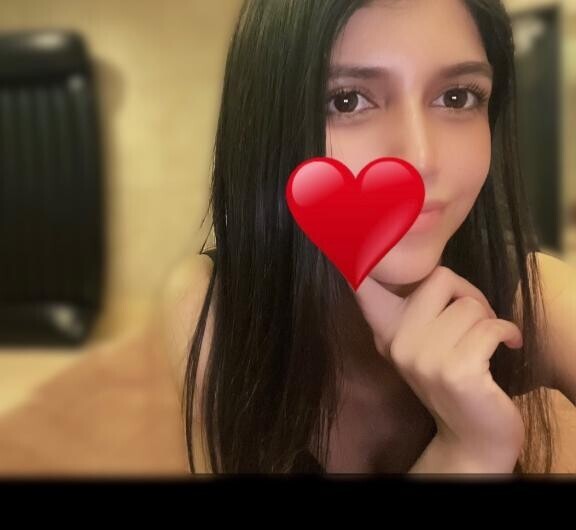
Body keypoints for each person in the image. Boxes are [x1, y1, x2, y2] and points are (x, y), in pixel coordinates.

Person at [159, 0, 576, 474]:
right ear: (267, 123)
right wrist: (469, 452)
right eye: (347, 101)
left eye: (457, 97)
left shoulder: (532, 295)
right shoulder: (215, 308)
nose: (420, 159)